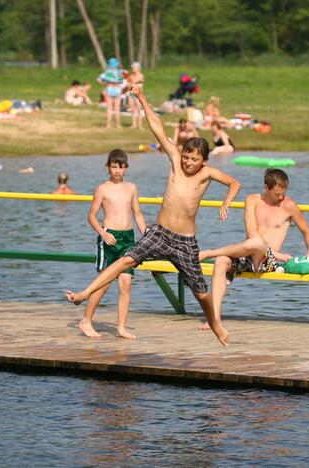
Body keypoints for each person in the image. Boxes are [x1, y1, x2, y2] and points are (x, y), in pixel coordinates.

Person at [66, 85, 242, 347]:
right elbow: (157, 127)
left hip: (185, 241)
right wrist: (142, 99)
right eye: (186, 157)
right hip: (160, 232)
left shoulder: (207, 174)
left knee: (202, 295)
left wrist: (226, 202)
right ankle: (84, 293)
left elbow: (234, 183)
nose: (188, 163)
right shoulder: (174, 160)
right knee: (126, 261)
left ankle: (215, 324)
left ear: (204, 161)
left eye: (194, 159)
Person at [198, 169, 309, 329]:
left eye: (283, 193)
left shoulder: (289, 206)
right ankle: (215, 318)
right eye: (277, 194)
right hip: (248, 252)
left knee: (257, 243)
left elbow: (307, 231)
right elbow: (251, 233)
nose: (280, 197)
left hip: (269, 261)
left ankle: (209, 252)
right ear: (266, 187)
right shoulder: (252, 200)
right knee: (221, 262)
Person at [79, 149, 147, 339]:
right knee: (105, 282)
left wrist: (147, 234)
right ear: (108, 166)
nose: (117, 170)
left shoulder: (132, 188)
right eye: (114, 166)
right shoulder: (102, 189)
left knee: (125, 283)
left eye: (121, 167)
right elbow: (91, 216)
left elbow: (138, 214)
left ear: (126, 168)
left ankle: (121, 327)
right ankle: (86, 320)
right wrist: (102, 233)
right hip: (109, 236)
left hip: (128, 238)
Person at [97, 58, 126, 129]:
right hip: (118, 89)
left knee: (109, 108)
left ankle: (108, 125)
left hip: (109, 88)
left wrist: (105, 84)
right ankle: (118, 125)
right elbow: (127, 78)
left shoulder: (107, 73)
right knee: (117, 108)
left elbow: (98, 79)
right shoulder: (120, 72)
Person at [127, 62, 145, 129]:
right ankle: (134, 124)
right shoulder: (131, 76)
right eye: (132, 67)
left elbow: (134, 81)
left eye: (134, 67)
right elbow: (128, 84)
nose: (132, 69)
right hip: (131, 93)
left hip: (138, 94)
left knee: (139, 109)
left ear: (138, 68)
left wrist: (130, 82)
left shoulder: (141, 75)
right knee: (133, 109)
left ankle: (140, 125)